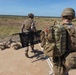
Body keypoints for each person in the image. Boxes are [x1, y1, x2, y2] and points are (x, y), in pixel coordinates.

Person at [41, 8, 76, 75]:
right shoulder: (74, 28)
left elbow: (45, 42)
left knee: (58, 72)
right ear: (72, 17)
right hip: (70, 58)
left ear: (62, 17)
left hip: (58, 56)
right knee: (66, 70)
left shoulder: (56, 28)